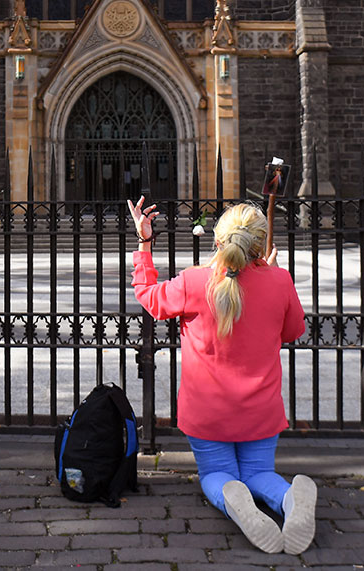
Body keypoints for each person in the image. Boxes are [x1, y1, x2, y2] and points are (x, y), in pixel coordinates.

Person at [127, 196, 316, 554]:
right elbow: (293, 331)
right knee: (260, 473)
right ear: (260, 246)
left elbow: (149, 297)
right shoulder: (280, 281)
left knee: (217, 475)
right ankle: (290, 500)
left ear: (218, 241)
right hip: (261, 410)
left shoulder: (194, 282)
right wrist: (273, 277)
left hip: (207, 411)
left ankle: (234, 501)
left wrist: (144, 242)